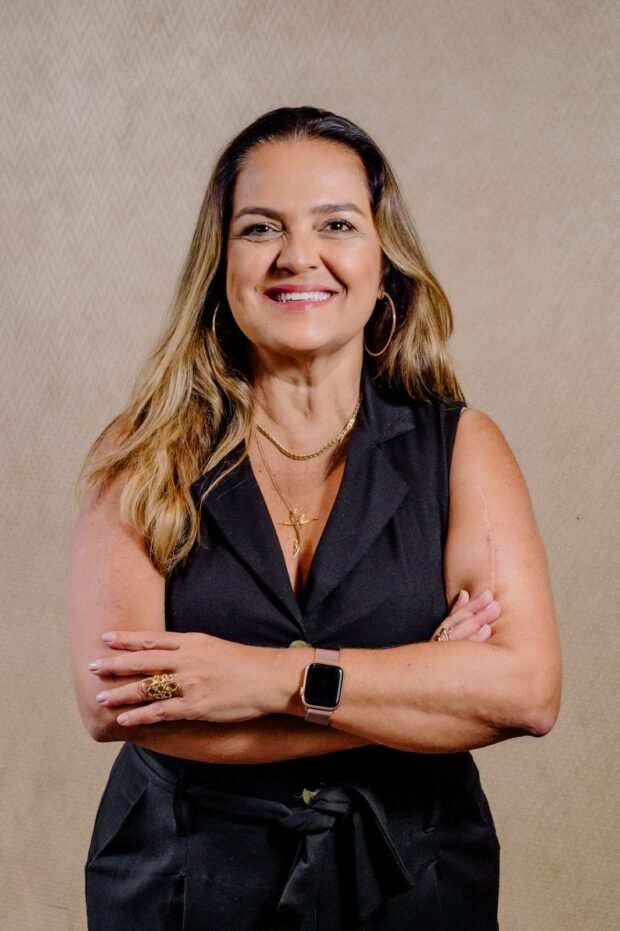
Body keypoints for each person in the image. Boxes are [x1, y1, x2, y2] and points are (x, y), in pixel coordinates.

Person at [68, 105, 561, 930]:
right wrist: (417, 695)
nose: (298, 256)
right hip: (181, 882)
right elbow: (117, 700)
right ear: (221, 262)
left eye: (336, 223)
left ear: (382, 259)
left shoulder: (463, 446)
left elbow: (527, 693)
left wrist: (263, 677)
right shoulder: (141, 449)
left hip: (415, 879)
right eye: (261, 227)